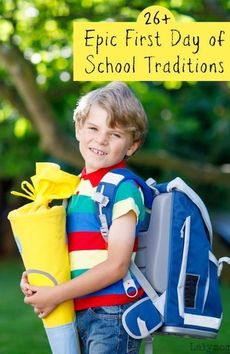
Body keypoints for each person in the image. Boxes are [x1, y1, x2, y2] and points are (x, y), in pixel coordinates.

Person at [20, 81, 148, 354]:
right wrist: (36, 281)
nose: (101, 139)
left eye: (114, 134)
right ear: (79, 129)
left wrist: (56, 295)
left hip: (112, 314)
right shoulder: (73, 188)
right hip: (75, 308)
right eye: (93, 128)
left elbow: (117, 265)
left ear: (132, 145)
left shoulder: (124, 188)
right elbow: (66, 252)